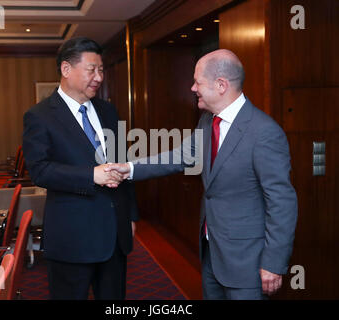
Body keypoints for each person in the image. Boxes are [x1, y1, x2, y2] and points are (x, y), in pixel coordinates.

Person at [106, 49, 298, 300]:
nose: (192, 87)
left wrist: (273, 263)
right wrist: (129, 168)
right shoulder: (208, 121)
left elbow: (282, 202)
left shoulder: (264, 132)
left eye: (198, 82)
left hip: (247, 262)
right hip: (211, 253)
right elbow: (180, 156)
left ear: (221, 85)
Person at [22, 37, 138, 300]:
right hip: (72, 237)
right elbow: (40, 170)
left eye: (101, 70)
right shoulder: (40, 116)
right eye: (91, 69)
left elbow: (123, 162)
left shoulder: (108, 111)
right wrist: (91, 175)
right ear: (66, 69)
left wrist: (130, 214)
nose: (98, 77)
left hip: (114, 235)